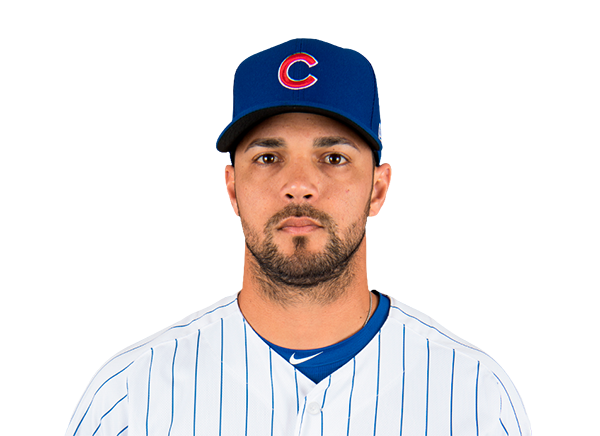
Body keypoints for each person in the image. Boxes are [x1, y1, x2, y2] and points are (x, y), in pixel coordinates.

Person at [66, 39, 530, 436]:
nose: (299, 186)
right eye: (268, 158)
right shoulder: (131, 397)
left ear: (378, 188)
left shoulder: (474, 397)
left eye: (334, 158)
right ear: (232, 187)